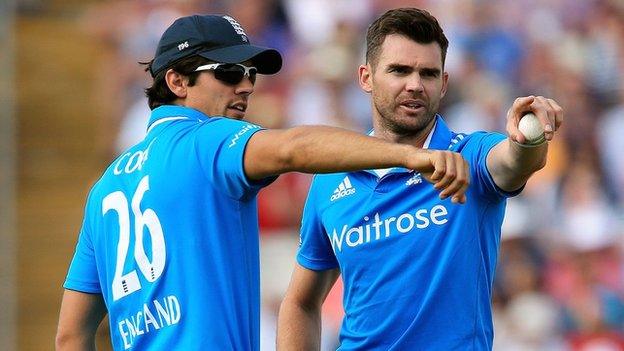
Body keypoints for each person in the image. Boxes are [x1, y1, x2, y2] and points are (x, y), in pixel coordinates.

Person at [55, 14, 470, 350]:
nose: (247, 85)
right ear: (177, 82)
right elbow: (294, 148)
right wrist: (412, 155)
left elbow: (70, 335)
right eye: (229, 72)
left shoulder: (104, 188)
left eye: (250, 73)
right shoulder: (205, 140)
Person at [276, 7, 564, 351]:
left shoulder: (468, 154)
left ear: (443, 85)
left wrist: (527, 141)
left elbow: (513, 162)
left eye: (428, 73)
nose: (414, 85)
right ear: (366, 78)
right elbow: (300, 302)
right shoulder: (331, 181)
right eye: (399, 70)